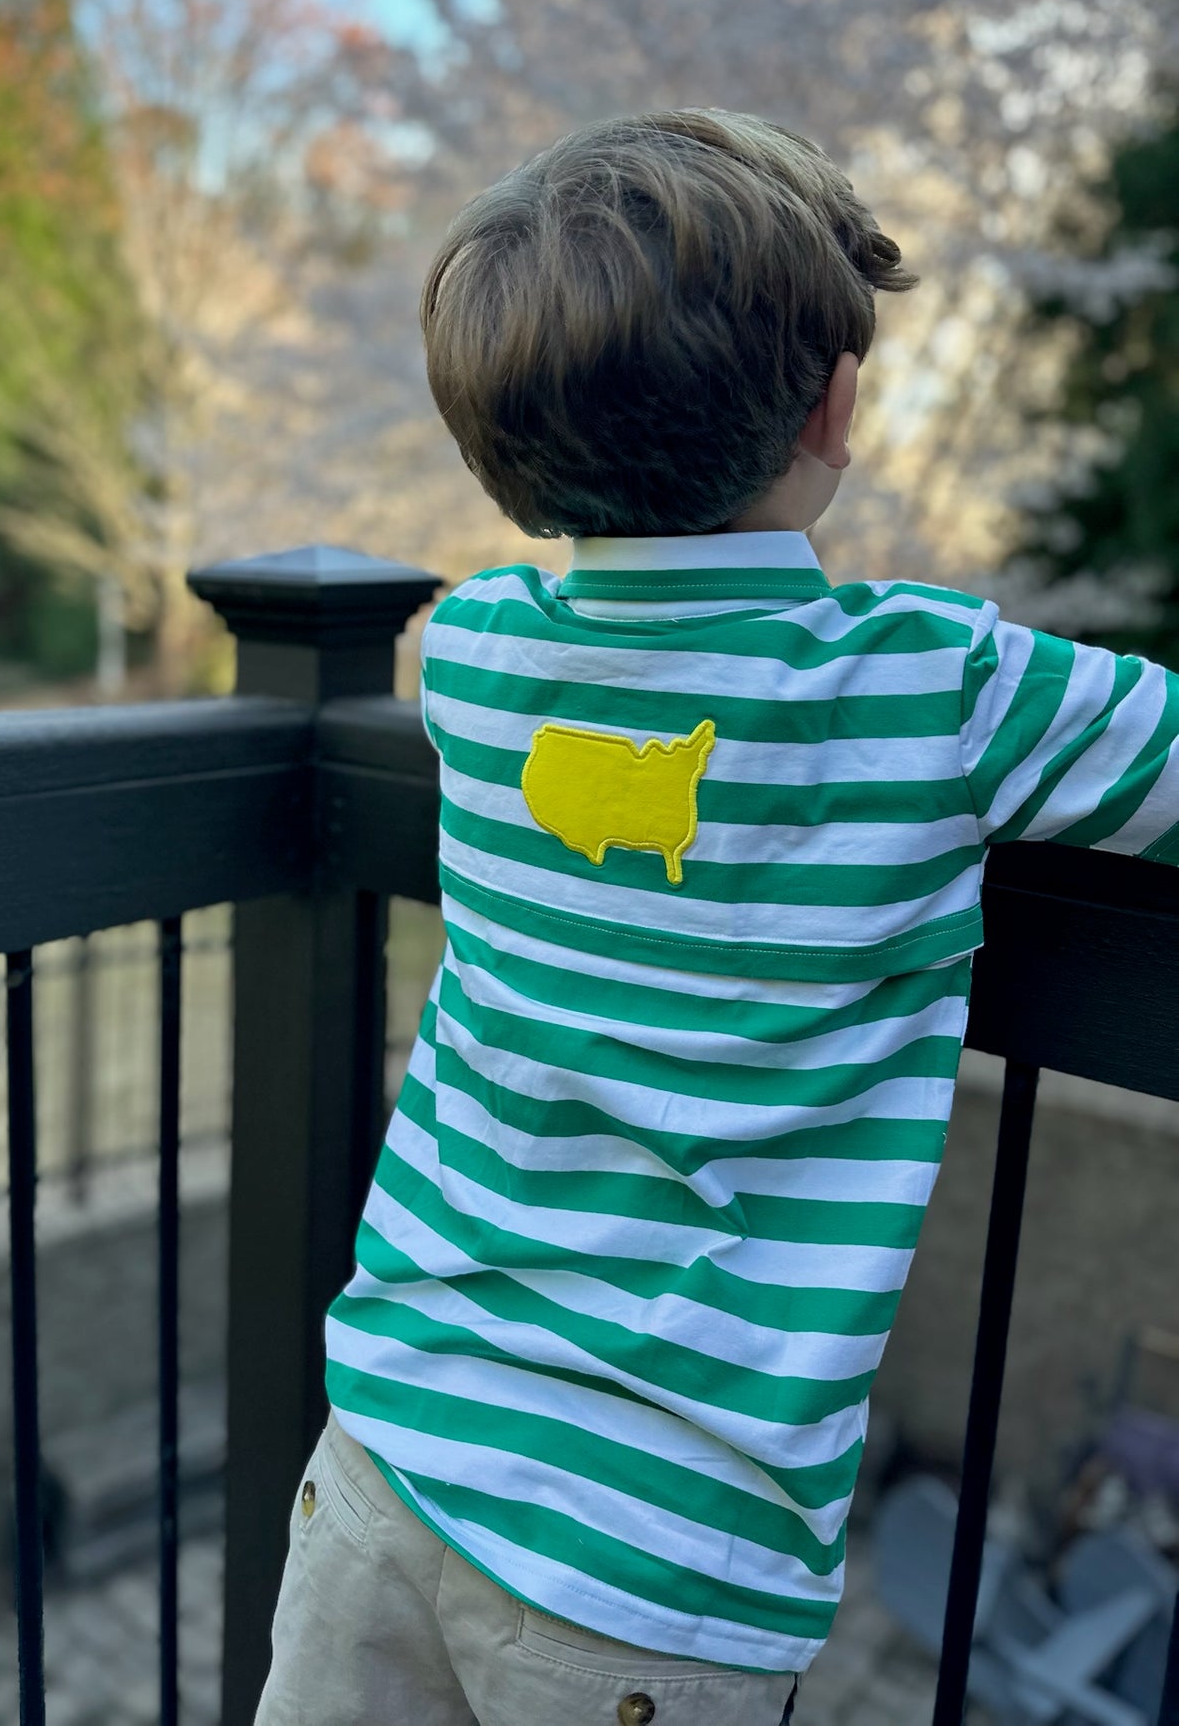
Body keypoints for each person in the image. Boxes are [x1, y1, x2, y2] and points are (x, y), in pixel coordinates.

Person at [253, 110, 1179, 1726]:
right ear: (833, 404)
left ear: (501, 446)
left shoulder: (472, 659)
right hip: (665, 1561)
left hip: (391, 1443)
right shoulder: (935, 682)